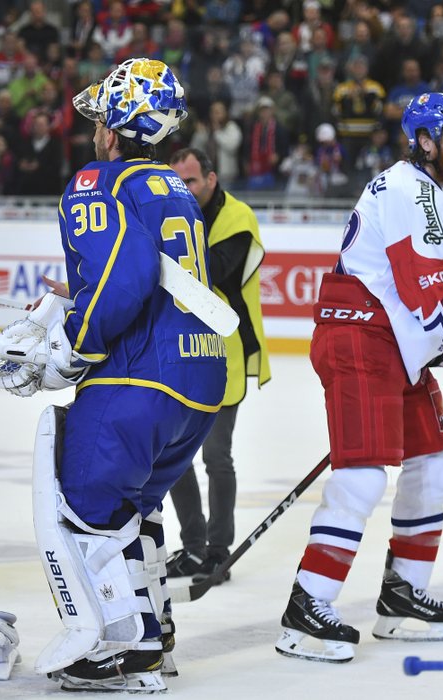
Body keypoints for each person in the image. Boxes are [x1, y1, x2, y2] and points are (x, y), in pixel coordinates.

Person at [0, 58, 226, 692]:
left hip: (138, 377)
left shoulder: (98, 181)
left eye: (97, 121)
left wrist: (74, 348)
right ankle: (155, 634)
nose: (92, 133)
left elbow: (127, 279)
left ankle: (124, 653)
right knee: (132, 510)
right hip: (197, 379)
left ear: (113, 132)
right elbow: (147, 272)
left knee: (84, 505)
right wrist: (86, 296)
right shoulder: (172, 186)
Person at [275, 92, 443, 664]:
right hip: (361, 335)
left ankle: (401, 596)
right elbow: (427, 300)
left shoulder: (436, 189)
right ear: (423, 140)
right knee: (363, 479)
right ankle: (306, 608)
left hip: (392, 341)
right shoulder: (414, 191)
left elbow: (421, 306)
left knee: (434, 464)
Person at [164, 147, 271, 583]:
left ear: (211, 178)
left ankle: (217, 550)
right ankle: (192, 548)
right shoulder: (176, 215)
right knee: (174, 455)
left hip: (226, 349)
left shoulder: (238, 217)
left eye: (189, 181)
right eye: (176, 182)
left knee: (215, 455)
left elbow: (213, 274)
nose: (183, 190)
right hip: (183, 348)